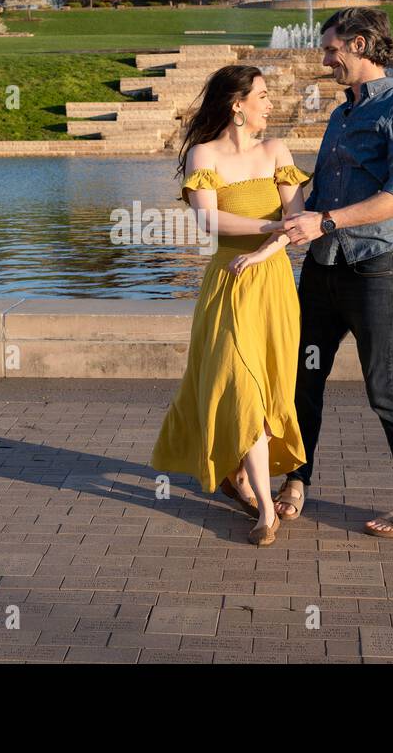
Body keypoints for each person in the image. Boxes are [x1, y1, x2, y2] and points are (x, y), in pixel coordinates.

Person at [277, 7, 393, 538]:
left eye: (333, 50)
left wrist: (324, 220)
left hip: (372, 267)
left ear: (362, 45)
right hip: (322, 267)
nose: (327, 61)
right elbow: (321, 192)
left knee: (385, 386)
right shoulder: (340, 114)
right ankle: (296, 478)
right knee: (305, 378)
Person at [151, 64, 312, 546]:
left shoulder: (276, 151)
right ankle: (266, 510)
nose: (270, 103)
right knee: (241, 387)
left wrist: (269, 245)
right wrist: (270, 228)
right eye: (262, 95)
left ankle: (241, 476)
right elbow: (208, 220)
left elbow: (298, 219)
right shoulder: (204, 153)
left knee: (266, 392)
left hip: (274, 284)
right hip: (228, 280)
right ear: (236, 104)